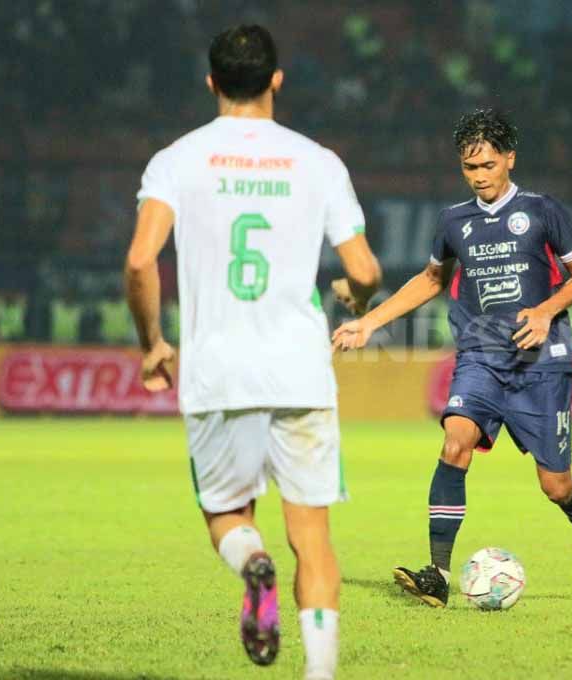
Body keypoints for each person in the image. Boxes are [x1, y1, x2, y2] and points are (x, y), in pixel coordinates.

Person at [123, 25, 381, 679]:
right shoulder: (317, 160)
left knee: (226, 514)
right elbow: (365, 269)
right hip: (300, 371)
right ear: (276, 80)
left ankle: (250, 564)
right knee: (313, 539)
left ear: (211, 83)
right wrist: (354, 290)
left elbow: (139, 261)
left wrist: (153, 344)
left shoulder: (177, 159)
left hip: (217, 372)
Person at [332, 108, 572, 607]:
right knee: (455, 440)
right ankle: (436, 573)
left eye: (487, 165)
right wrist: (370, 322)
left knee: (555, 485)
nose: (479, 176)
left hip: (541, 364)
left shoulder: (544, 211)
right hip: (480, 357)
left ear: (509, 159)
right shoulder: (453, 220)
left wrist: (545, 312)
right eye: (469, 168)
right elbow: (432, 279)